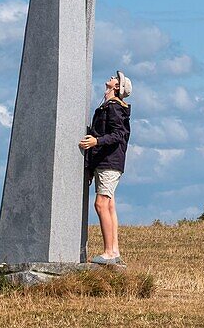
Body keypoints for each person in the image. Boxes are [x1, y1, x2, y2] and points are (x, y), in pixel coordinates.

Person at [79, 71, 132, 265]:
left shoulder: (115, 108)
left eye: (115, 78)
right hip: (105, 162)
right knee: (109, 205)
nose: (111, 77)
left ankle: (109, 252)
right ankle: (114, 250)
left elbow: (119, 134)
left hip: (109, 162)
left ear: (117, 87)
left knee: (101, 204)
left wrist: (96, 141)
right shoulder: (108, 107)